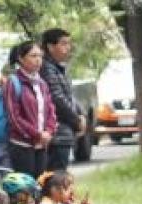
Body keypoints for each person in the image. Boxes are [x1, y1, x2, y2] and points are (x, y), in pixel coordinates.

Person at [4, 41, 57, 179]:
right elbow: (14, 117)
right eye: (33, 56)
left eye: (40, 56)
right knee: (25, 189)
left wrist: (49, 131)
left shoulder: (42, 83)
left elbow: (50, 110)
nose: (38, 60)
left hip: (42, 145)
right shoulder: (13, 82)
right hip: (22, 146)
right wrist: (37, 134)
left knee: (40, 185)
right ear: (21, 58)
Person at [39, 28, 85, 171]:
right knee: (55, 178)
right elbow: (57, 99)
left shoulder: (57, 68)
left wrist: (81, 113)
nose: (68, 48)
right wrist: (76, 120)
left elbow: (68, 95)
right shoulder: (47, 69)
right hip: (57, 132)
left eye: (68, 44)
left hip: (64, 131)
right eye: (63, 44)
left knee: (60, 176)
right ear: (50, 47)